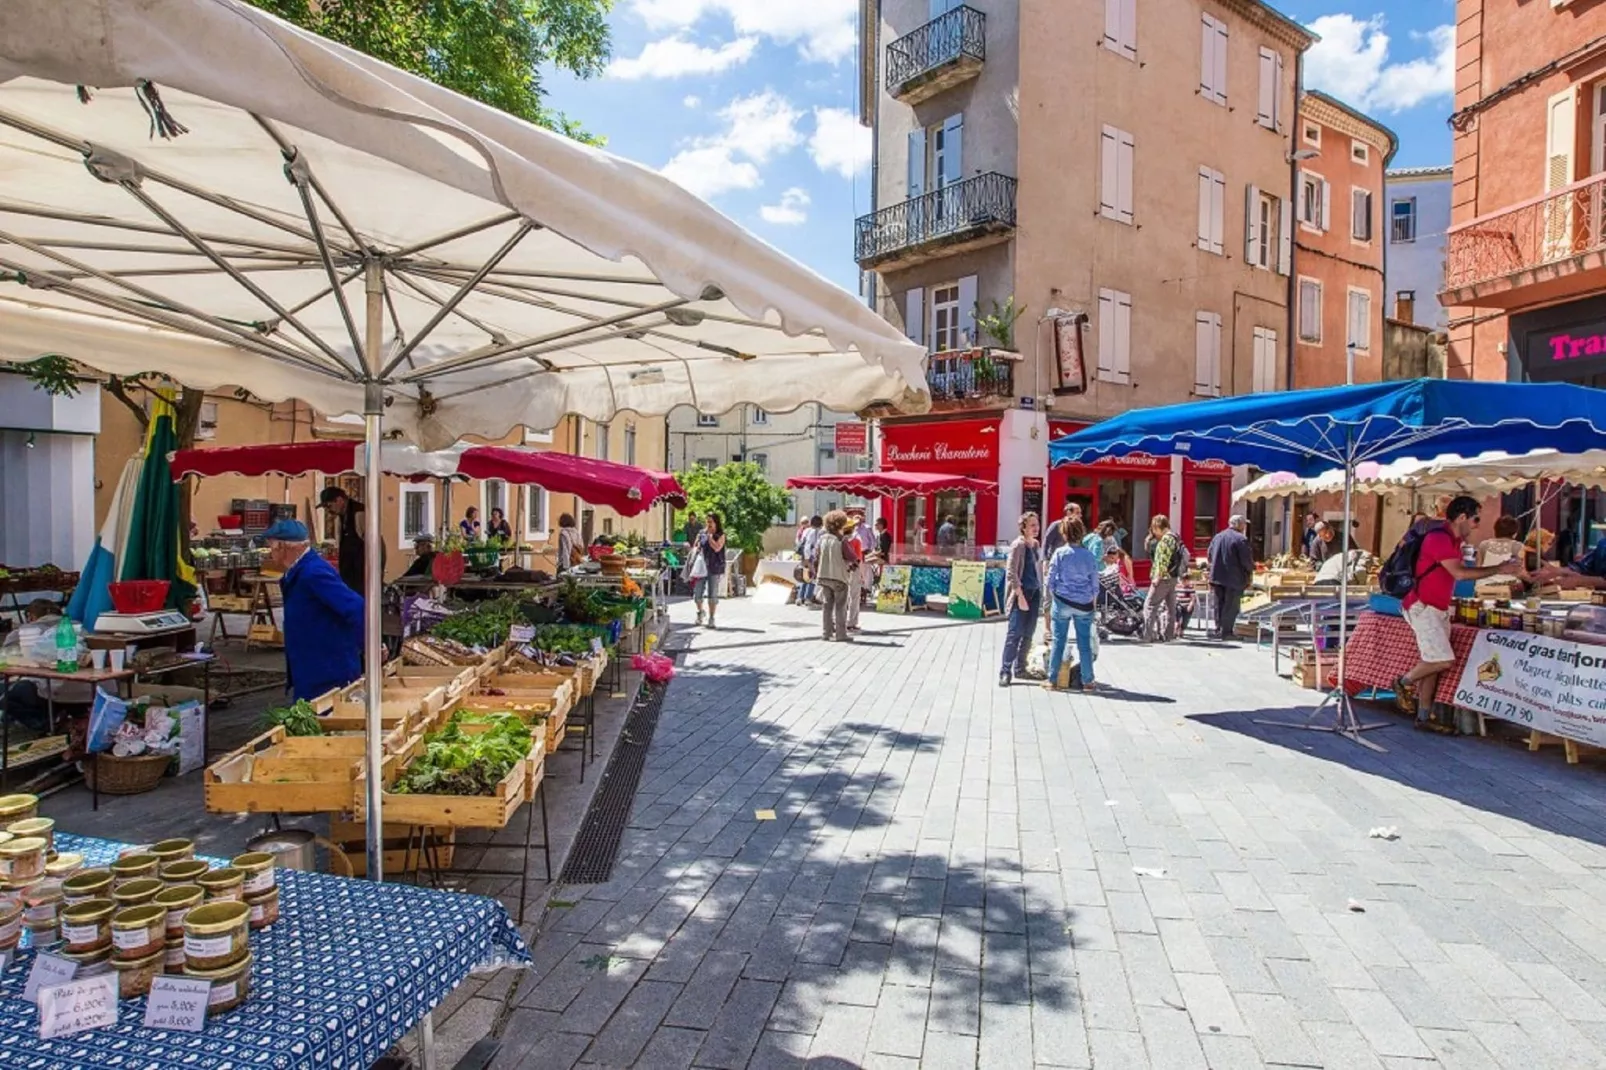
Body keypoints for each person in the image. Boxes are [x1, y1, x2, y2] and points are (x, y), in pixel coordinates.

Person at [1397, 497, 1527, 726]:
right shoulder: (1439, 539)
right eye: (1476, 518)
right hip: (1423, 606)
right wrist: (1499, 568)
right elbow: (1460, 574)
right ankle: (1402, 682)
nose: (1477, 525)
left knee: (1432, 662)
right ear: (1462, 517)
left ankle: (1424, 716)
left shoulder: (1454, 540)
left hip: (1437, 608)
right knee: (1443, 660)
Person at [265, 518, 363, 702]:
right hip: (312, 666)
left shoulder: (313, 572)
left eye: (271, 545)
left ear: (283, 547)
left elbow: (355, 606)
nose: (270, 551)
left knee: (324, 723)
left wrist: (370, 644)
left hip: (326, 669)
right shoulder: (298, 571)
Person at [1044, 518, 1102, 691]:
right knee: (1084, 644)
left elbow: (1050, 579)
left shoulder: (1060, 553)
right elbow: (1094, 583)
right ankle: (1088, 682)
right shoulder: (1089, 555)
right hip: (1084, 603)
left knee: (1058, 641)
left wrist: (1055, 595)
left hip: (1062, 601)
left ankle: (1053, 680)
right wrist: (1092, 600)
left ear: (1064, 533)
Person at [999, 512, 1045, 687]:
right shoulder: (1018, 545)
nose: (1036, 528)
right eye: (1032, 525)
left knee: (1028, 634)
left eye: (1037, 524)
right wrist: (1019, 595)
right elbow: (1011, 572)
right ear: (1023, 527)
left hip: (1034, 592)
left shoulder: (1035, 545)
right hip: (1022, 593)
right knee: (1015, 633)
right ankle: (1005, 671)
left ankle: (1021, 668)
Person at [1207, 514, 1254, 641]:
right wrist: (1250, 572)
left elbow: (1209, 555)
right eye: (1244, 524)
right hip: (1233, 578)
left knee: (1219, 604)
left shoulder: (1218, 537)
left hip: (1217, 576)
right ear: (1239, 525)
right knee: (1231, 606)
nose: (1245, 527)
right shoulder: (1241, 539)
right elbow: (1246, 561)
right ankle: (1226, 632)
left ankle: (1218, 629)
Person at [319, 486, 368, 594]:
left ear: (340, 500)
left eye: (329, 506)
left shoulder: (359, 513)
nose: (328, 510)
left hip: (362, 572)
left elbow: (374, 543)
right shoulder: (340, 517)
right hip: (349, 571)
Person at [1144, 515, 1185, 642]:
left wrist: (1157, 577)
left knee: (1150, 605)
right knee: (1170, 607)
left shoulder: (1165, 540)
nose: (1153, 532)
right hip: (1173, 577)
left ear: (1157, 526)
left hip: (1163, 578)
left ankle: (1147, 635)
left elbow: (1163, 560)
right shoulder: (1175, 537)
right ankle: (1168, 635)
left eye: (1154, 528)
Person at [815, 511, 852, 642]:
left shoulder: (822, 539)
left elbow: (816, 556)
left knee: (827, 606)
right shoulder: (841, 540)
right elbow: (851, 557)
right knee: (840, 606)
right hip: (838, 577)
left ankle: (826, 633)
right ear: (840, 524)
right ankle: (841, 634)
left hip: (824, 576)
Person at [690, 512, 727, 628]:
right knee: (697, 593)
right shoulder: (701, 533)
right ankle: (700, 613)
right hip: (701, 567)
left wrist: (710, 537)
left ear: (716, 522)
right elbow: (695, 546)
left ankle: (711, 618)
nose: (708, 524)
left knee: (712, 594)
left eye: (711, 521)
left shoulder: (721, 534)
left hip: (714, 567)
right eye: (707, 521)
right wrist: (695, 547)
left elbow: (717, 548)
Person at [843, 514, 868, 633]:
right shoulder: (856, 540)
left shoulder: (840, 540)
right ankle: (852, 622)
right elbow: (859, 559)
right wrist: (862, 575)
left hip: (842, 569)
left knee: (842, 597)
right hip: (854, 569)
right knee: (854, 596)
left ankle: (840, 621)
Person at [797, 515, 824, 607]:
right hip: (811, 557)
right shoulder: (815, 532)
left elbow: (801, 542)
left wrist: (805, 558)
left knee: (804, 577)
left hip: (804, 557)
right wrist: (809, 560)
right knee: (812, 577)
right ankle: (808, 598)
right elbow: (810, 546)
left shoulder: (806, 531)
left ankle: (800, 597)